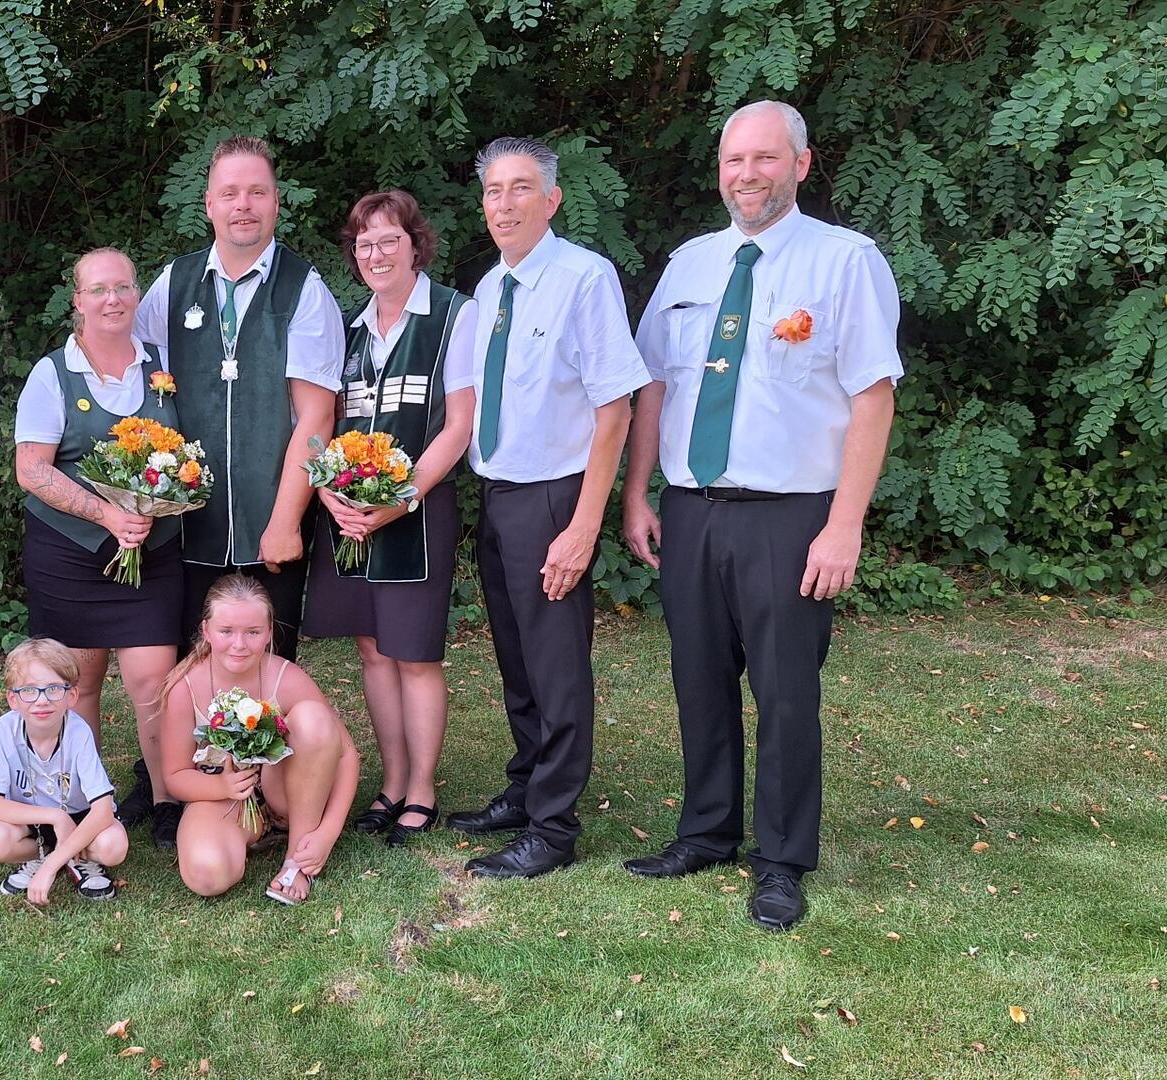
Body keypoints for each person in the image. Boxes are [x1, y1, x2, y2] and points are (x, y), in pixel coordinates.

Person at [623, 101, 902, 930]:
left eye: (765, 159)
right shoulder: (690, 264)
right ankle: (706, 832)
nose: (746, 174)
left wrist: (844, 524)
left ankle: (780, 860)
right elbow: (653, 389)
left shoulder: (846, 263)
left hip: (792, 515)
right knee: (698, 680)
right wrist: (638, 493)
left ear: (802, 165)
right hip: (691, 508)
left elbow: (873, 399)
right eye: (734, 160)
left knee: (785, 694)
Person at [445, 137, 653, 881]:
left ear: (552, 199)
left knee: (558, 668)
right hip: (500, 494)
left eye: (521, 188)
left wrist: (583, 525)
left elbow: (616, 408)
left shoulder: (583, 279)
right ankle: (525, 786)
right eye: (494, 191)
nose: (505, 204)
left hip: (557, 496)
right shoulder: (490, 290)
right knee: (517, 659)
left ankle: (554, 828)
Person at [303, 191, 477, 847]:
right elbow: (318, 427)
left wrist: (400, 500)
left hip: (416, 512)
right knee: (373, 651)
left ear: (415, 245)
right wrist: (330, 494)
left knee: (414, 655)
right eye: (364, 243)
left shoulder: (453, 316)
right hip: (349, 516)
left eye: (388, 240)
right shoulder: (346, 328)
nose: (375, 254)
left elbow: (457, 427)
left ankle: (424, 788)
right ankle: (393, 780)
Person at [133, 136, 346, 662]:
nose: (242, 206)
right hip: (184, 517)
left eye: (256, 192)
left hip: (270, 517)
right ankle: (184, 750)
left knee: (264, 661)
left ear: (276, 201)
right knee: (187, 657)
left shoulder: (304, 289)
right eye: (230, 193)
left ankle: (258, 747)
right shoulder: (173, 283)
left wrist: (284, 522)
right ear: (209, 205)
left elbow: (317, 418)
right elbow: (128, 376)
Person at [14, 248, 183, 841]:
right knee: (76, 684)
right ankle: (82, 801)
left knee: (154, 684)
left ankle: (168, 799)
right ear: (77, 301)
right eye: (98, 290)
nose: (112, 299)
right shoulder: (52, 373)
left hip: (152, 557)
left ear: (137, 295)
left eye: (123, 287)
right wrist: (108, 514)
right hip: (69, 555)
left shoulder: (164, 367)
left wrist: (160, 504)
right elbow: (31, 470)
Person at [159, 575, 360, 904]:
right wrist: (221, 789)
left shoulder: (287, 677)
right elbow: (175, 777)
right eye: (226, 631)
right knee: (206, 876)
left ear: (268, 633)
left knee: (312, 717)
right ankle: (240, 838)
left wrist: (328, 832)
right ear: (206, 630)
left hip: (287, 795)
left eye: (252, 632)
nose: (239, 645)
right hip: (222, 797)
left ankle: (298, 858)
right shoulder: (186, 686)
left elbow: (347, 756)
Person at [0, 638, 129, 904]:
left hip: (82, 819)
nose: (42, 701)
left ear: (72, 696)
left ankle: (67, 859)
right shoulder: (4, 730)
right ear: (13, 699)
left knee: (114, 846)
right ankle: (45, 852)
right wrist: (56, 817)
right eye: (29, 690)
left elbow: (103, 810)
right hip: (32, 819)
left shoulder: (78, 731)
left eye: (54, 689)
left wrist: (50, 868)